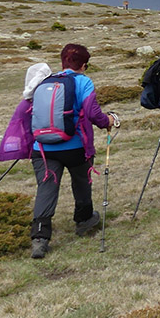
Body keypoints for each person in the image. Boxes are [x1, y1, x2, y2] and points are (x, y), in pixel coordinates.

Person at [29, 44, 113, 259]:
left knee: (46, 188)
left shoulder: (44, 82)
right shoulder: (83, 81)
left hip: (43, 148)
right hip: (75, 147)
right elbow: (93, 113)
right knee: (82, 181)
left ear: (62, 62)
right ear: (84, 65)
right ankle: (84, 220)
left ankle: (40, 237)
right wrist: (108, 121)